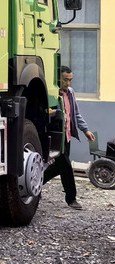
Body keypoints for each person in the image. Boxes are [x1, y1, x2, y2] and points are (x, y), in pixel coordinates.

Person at [43, 65, 95, 210]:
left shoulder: (70, 93)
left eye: (70, 80)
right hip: (55, 137)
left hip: (67, 137)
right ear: (57, 78)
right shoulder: (51, 93)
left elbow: (75, 114)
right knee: (66, 167)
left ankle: (35, 183)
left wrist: (85, 130)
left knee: (57, 167)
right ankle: (71, 199)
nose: (68, 83)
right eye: (65, 80)